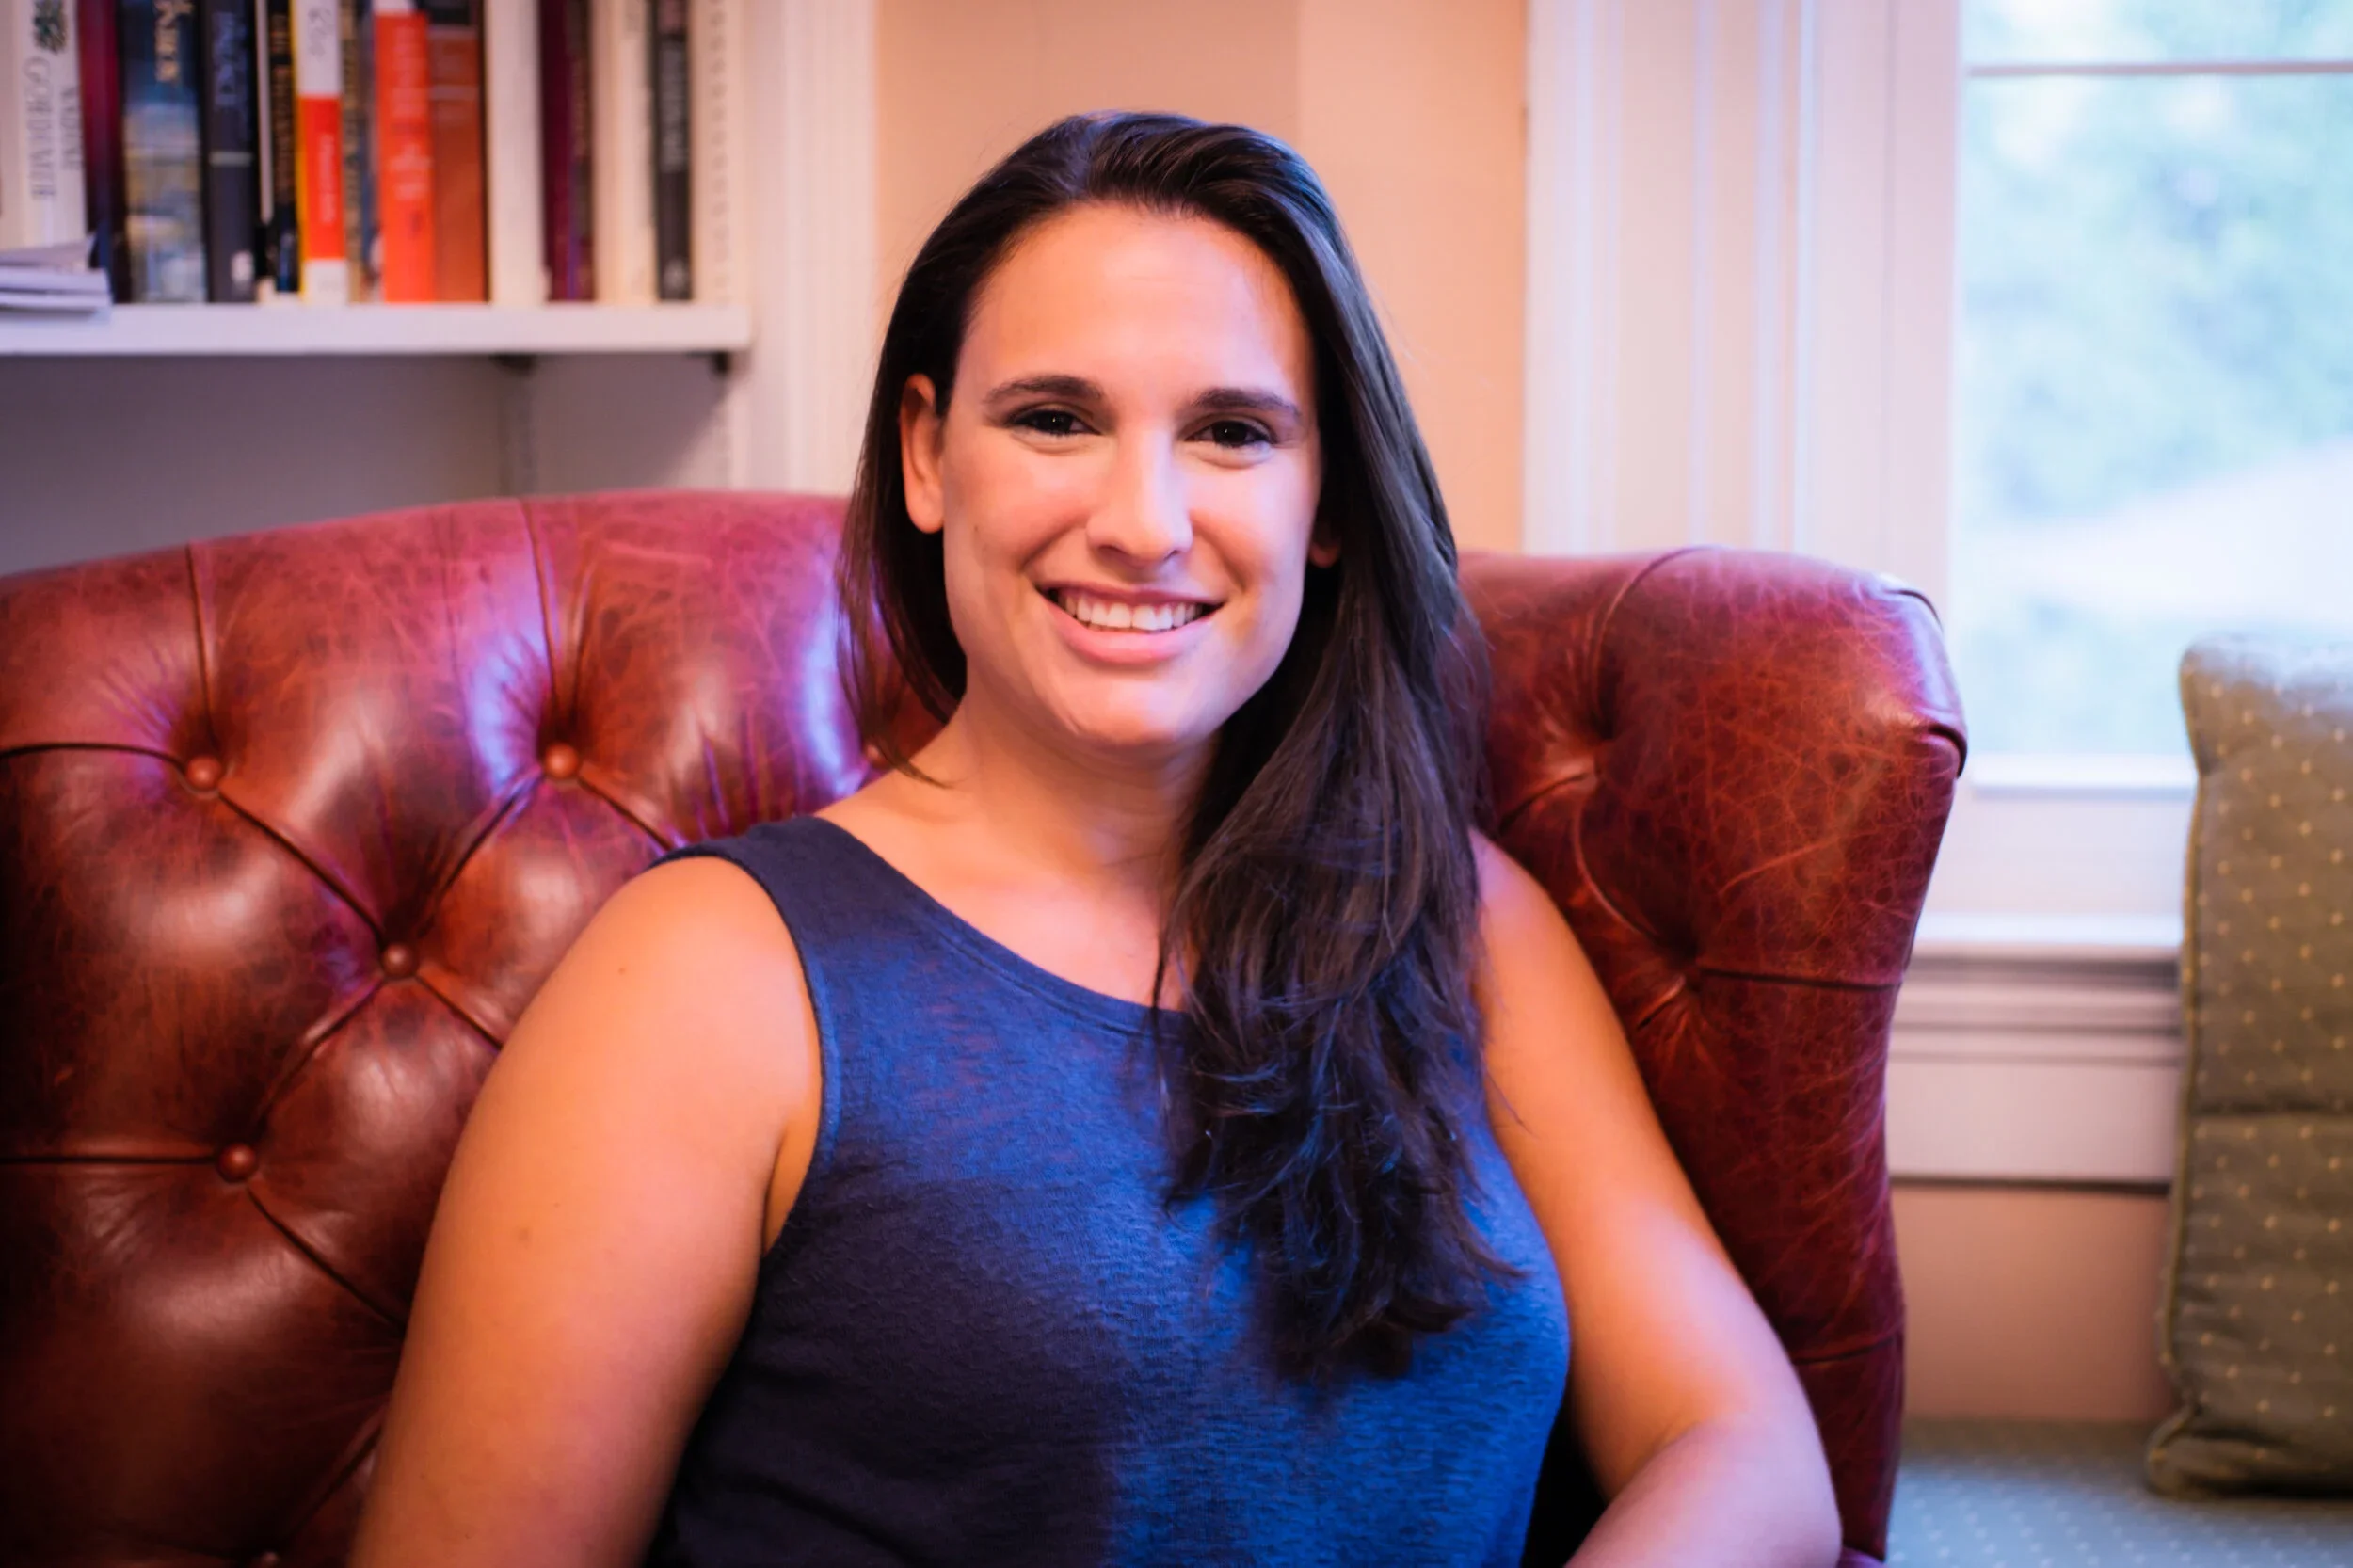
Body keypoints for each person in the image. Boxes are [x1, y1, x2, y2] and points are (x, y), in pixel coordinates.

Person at [347, 112, 1841, 1568]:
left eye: (1232, 432)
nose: (1145, 521)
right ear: (927, 456)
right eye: (1056, 419)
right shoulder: (705, 977)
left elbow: (1743, 1447)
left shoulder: (1455, 917)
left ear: (1325, 500)